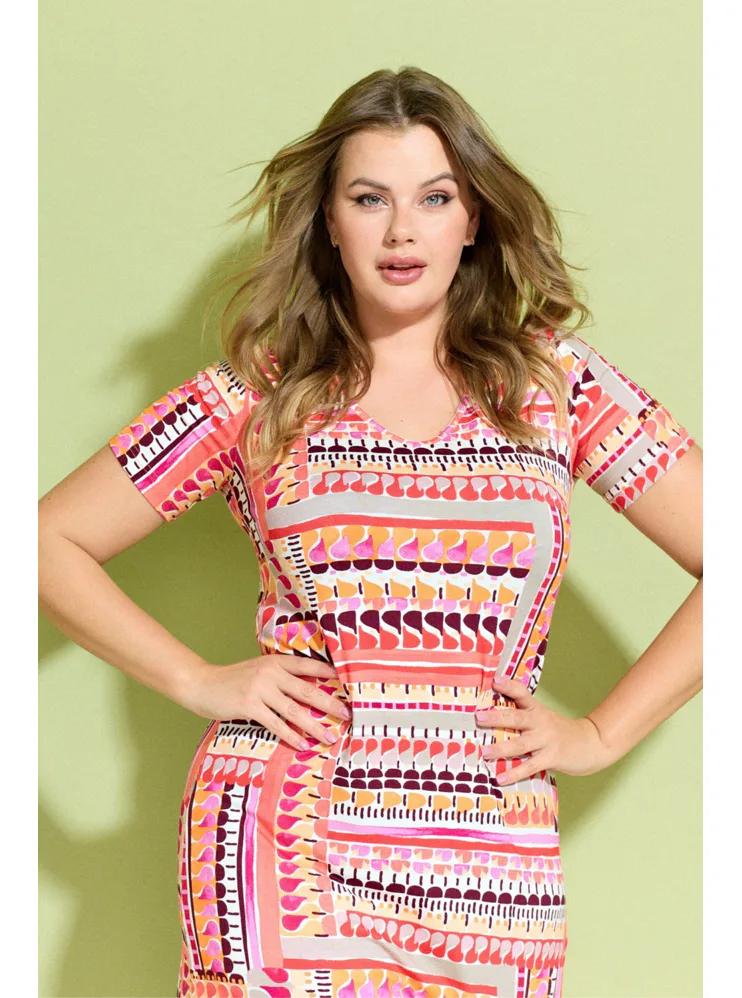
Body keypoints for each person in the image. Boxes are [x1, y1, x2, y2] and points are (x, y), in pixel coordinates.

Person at [38, 66, 702, 998]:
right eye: (368, 198)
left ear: (472, 219)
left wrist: (599, 732)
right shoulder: (262, 391)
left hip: (491, 866)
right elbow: (43, 542)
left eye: (434, 198)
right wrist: (194, 679)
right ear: (328, 221)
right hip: (283, 840)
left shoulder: (556, 385)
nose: (401, 231)